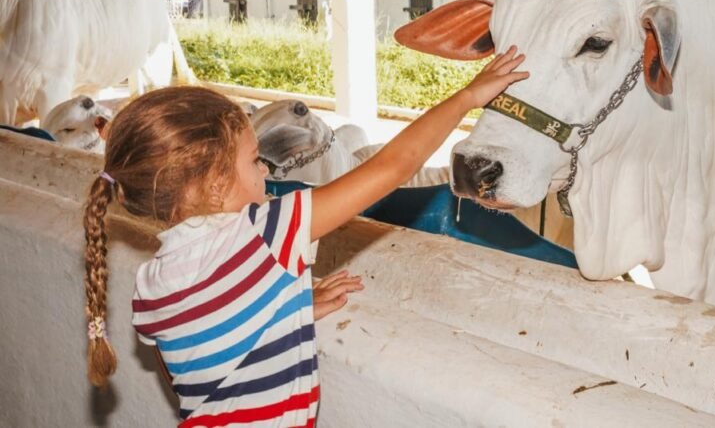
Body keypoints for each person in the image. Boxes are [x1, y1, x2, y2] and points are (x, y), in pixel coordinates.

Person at [82, 48, 527, 426]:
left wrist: (289, 309)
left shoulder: (149, 287)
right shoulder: (265, 233)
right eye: (255, 159)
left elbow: (202, 379)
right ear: (215, 184)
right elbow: (393, 167)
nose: (265, 170)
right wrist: (467, 97)